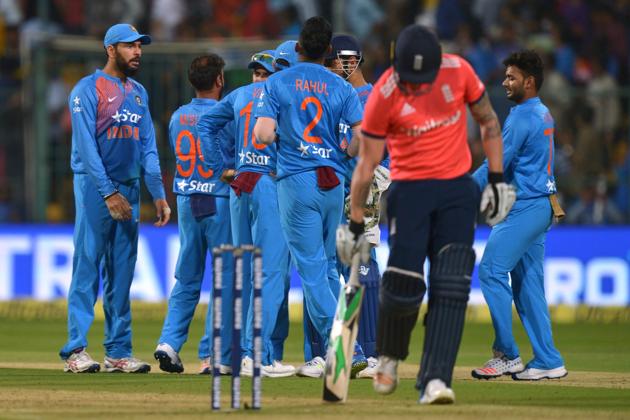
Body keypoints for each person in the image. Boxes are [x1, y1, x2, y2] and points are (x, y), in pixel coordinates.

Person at [337, 24, 513, 404]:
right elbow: (366, 165)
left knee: (451, 287)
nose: (416, 86)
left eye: (423, 78)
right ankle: (387, 356)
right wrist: (354, 222)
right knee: (402, 284)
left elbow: (488, 121)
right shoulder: (384, 91)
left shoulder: (459, 71)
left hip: (455, 189)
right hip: (409, 190)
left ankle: (435, 379)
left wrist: (497, 180)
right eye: (410, 79)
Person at [253, 16, 364, 379]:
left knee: (312, 269)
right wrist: (341, 152)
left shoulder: (277, 83)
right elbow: (359, 140)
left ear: (298, 47)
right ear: (329, 51)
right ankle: (354, 345)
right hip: (333, 182)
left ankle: (345, 348)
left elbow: (263, 134)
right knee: (330, 267)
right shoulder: (342, 88)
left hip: (296, 181)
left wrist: (282, 134)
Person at [60, 23, 170, 373]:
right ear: (110, 49)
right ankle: (75, 351)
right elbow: (86, 147)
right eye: (129, 46)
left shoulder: (138, 91)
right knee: (88, 265)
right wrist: (108, 192)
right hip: (96, 188)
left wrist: (159, 194)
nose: (137, 52)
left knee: (122, 273)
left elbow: (148, 146)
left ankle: (118, 351)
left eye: (140, 46)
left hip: (131, 188)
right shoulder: (86, 90)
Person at [196, 47, 296, 377]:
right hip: (269, 184)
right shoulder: (283, 93)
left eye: (258, 71)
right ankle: (260, 356)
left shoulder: (240, 95)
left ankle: (235, 353)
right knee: (271, 273)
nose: (258, 77)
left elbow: (205, 124)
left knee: (244, 274)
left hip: (240, 186)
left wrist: (218, 168)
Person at [471, 50, 568, 381]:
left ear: (529, 81)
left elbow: (498, 160)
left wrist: (465, 188)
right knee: (528, 285)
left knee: (491, 271)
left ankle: (507, 354)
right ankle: (548, 359)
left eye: (511, 77)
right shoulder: (543, 112)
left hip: (524, 206)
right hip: (541, 205)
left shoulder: (522, 116)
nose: (505, 82)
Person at [304, 33, 389, 379]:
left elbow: (381, 148)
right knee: (327, 268)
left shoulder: (370, 98)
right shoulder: (334, 94)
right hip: (333, 186)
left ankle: (371, 353)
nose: (328, 67)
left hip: (363, 185)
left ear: (349, 60)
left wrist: (375, 180)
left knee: (360, 266)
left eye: (332, 60)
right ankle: (328, 352)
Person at [153, 54, 238, 374]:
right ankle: (212, 354)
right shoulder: (225, 115)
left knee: (186, 277)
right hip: (217, 199)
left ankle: (169, 343)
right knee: (223, 279)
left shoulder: (177, 117)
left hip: (188, 201)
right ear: (219, 80)